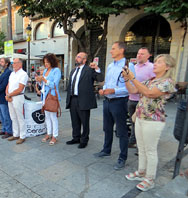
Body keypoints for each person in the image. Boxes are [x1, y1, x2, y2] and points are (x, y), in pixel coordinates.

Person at [123, 54, 176, 191]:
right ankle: (141, 172)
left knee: (150, 150)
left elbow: (149, 93)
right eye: (156, 61)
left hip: (153, 120)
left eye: (159, 62)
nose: (155, 64)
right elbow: (134, 90)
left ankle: (150, 178)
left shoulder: (167, 82)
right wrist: (126, 79)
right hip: (140, 117)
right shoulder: (151, 80)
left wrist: (133, 78)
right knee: (141, 147)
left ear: (167, 67)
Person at [94, 42, 136, 170]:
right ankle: (106, 150)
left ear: (121, 50)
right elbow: (107, 82)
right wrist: (104, 89)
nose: (111, 51)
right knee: (107, 128)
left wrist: (114, 91)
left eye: (113, 49)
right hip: (107, 101)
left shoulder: (128, 66)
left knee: (121, 131)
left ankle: (122, 158)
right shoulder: (111, 65)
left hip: (119, 102)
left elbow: (131, 87)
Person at [66, 52, 103, 149]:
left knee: (85, 121)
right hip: (73, 99)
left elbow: (100, 78)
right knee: (75, 120)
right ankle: (76, 137)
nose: (76, 58)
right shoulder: (73, 70)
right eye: (76, 56)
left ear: (84, 60)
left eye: (79, 57)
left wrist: (97, 69)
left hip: (84, 99)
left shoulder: (89, 70)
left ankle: (84, 140)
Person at [128, 47, 155, 149]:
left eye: (142, 54)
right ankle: (133, 140)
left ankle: (141, 143)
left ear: (148, 56)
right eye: (138, 53)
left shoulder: (151, 67)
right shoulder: (133, 67)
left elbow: (153, 83)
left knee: (143, 123)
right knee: (133, 120)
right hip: (132, 98)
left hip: (144, 101)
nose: (139, 55)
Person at [36, 53, 61, 145]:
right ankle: (49, 133)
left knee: (53, 117)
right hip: (44, 96)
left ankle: (55, 135)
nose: (46, 64)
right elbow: (43, 85)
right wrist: (40, 81)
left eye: (47, 62)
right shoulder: (46, 70)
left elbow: (54, 84)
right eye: (44, 62)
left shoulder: (56, 70)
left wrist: (45, 80)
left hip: (52, 96)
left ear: (52, 61)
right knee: (47, 116)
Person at [5, 58, 28, 144]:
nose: (13, 65)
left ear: (20, 64)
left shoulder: (23, 74)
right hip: (10, 97)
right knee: (13, 117)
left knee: (20, 117)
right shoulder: (12, 74)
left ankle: (22, 136)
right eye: (12, 63)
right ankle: (16, 134)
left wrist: (9, 95)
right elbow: (8, 85)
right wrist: (7, 94)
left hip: (18, 97)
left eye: (14, 63)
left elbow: (20, 88)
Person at [0, 58, 13, 139]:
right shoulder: (0, 72)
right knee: (1, 114)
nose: (0, 63)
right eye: (0, 62)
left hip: (3, 95)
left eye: (2, 62)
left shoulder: (8, 72)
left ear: (7, 63)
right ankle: (4, 129)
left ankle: (9, 130)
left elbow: (4, 84)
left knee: (6, 114)